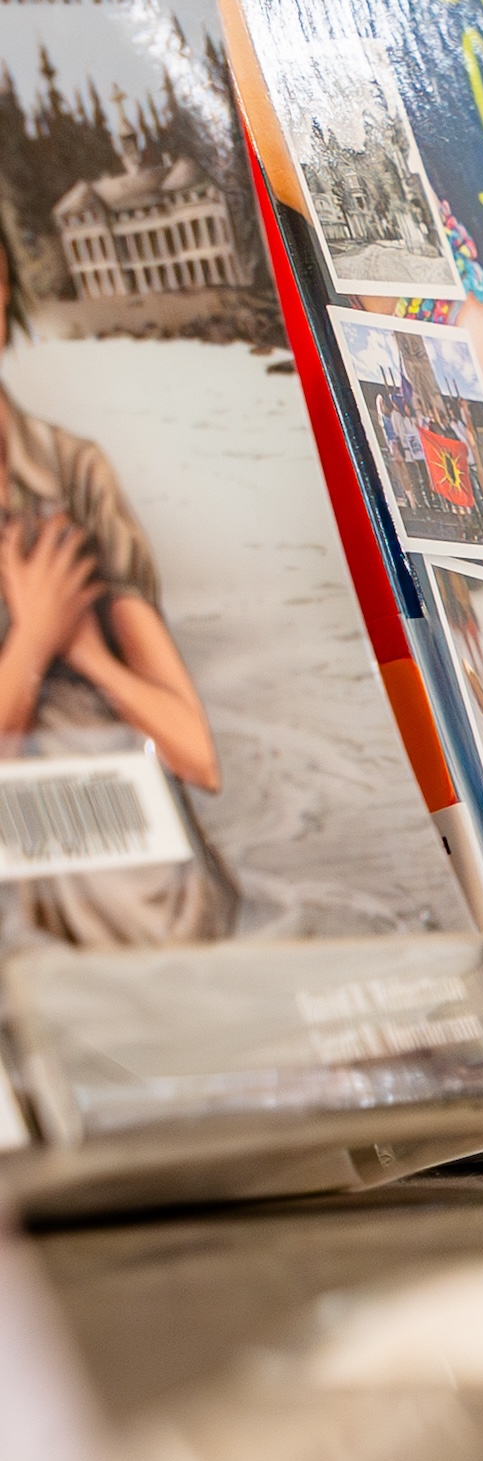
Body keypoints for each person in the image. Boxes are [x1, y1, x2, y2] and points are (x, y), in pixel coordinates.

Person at [0, 229, 234, 944]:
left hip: (170, 900)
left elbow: (196, 751)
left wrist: (93, 657)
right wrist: (35, 641)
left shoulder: (73, 472)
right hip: (37, 918)